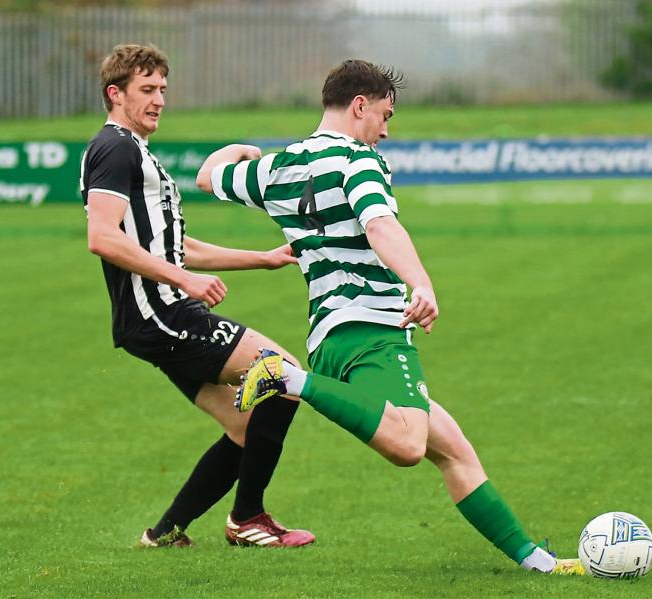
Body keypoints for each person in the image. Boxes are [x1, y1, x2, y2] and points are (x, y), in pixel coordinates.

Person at [196, 59, 583, 574]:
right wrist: (420, 283)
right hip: (374, 330)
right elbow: (379, 225)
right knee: (407, 445)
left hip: (328, 337)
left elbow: (207, 175)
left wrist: (242, 150)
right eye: (385, 114)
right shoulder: (360, 160)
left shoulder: (276, 167)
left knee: (454, 451)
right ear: (360, 105)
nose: (385, 129)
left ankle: (540, 563)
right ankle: (285, 378)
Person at [79, 43, 315, 548]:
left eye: (162, 88)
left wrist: (262, 257)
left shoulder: (134, 150)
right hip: (161, 313)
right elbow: (102, 236)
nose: (159, 99)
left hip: (159, 315)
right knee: (286, 378)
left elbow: (175, 245)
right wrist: (181, 281)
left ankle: (164, 534)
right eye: (147, 89)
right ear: (114, 94)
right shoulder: (115, 147)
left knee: (246, 423)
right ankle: (247, 518)